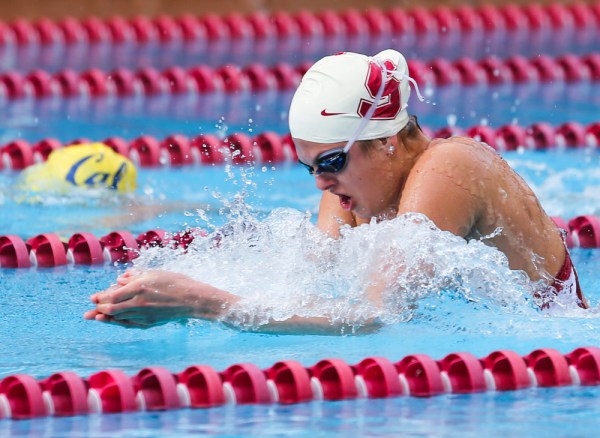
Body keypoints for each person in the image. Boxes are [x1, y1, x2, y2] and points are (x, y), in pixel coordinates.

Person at [84, 49, 588, 333]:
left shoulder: (449, 168)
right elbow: (306, 278)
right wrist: (175, 282)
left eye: (330, 162)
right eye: (310, 168)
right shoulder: (349, 187)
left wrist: (200, 301)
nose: (322, 182)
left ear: (387, 139)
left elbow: (372, 316)